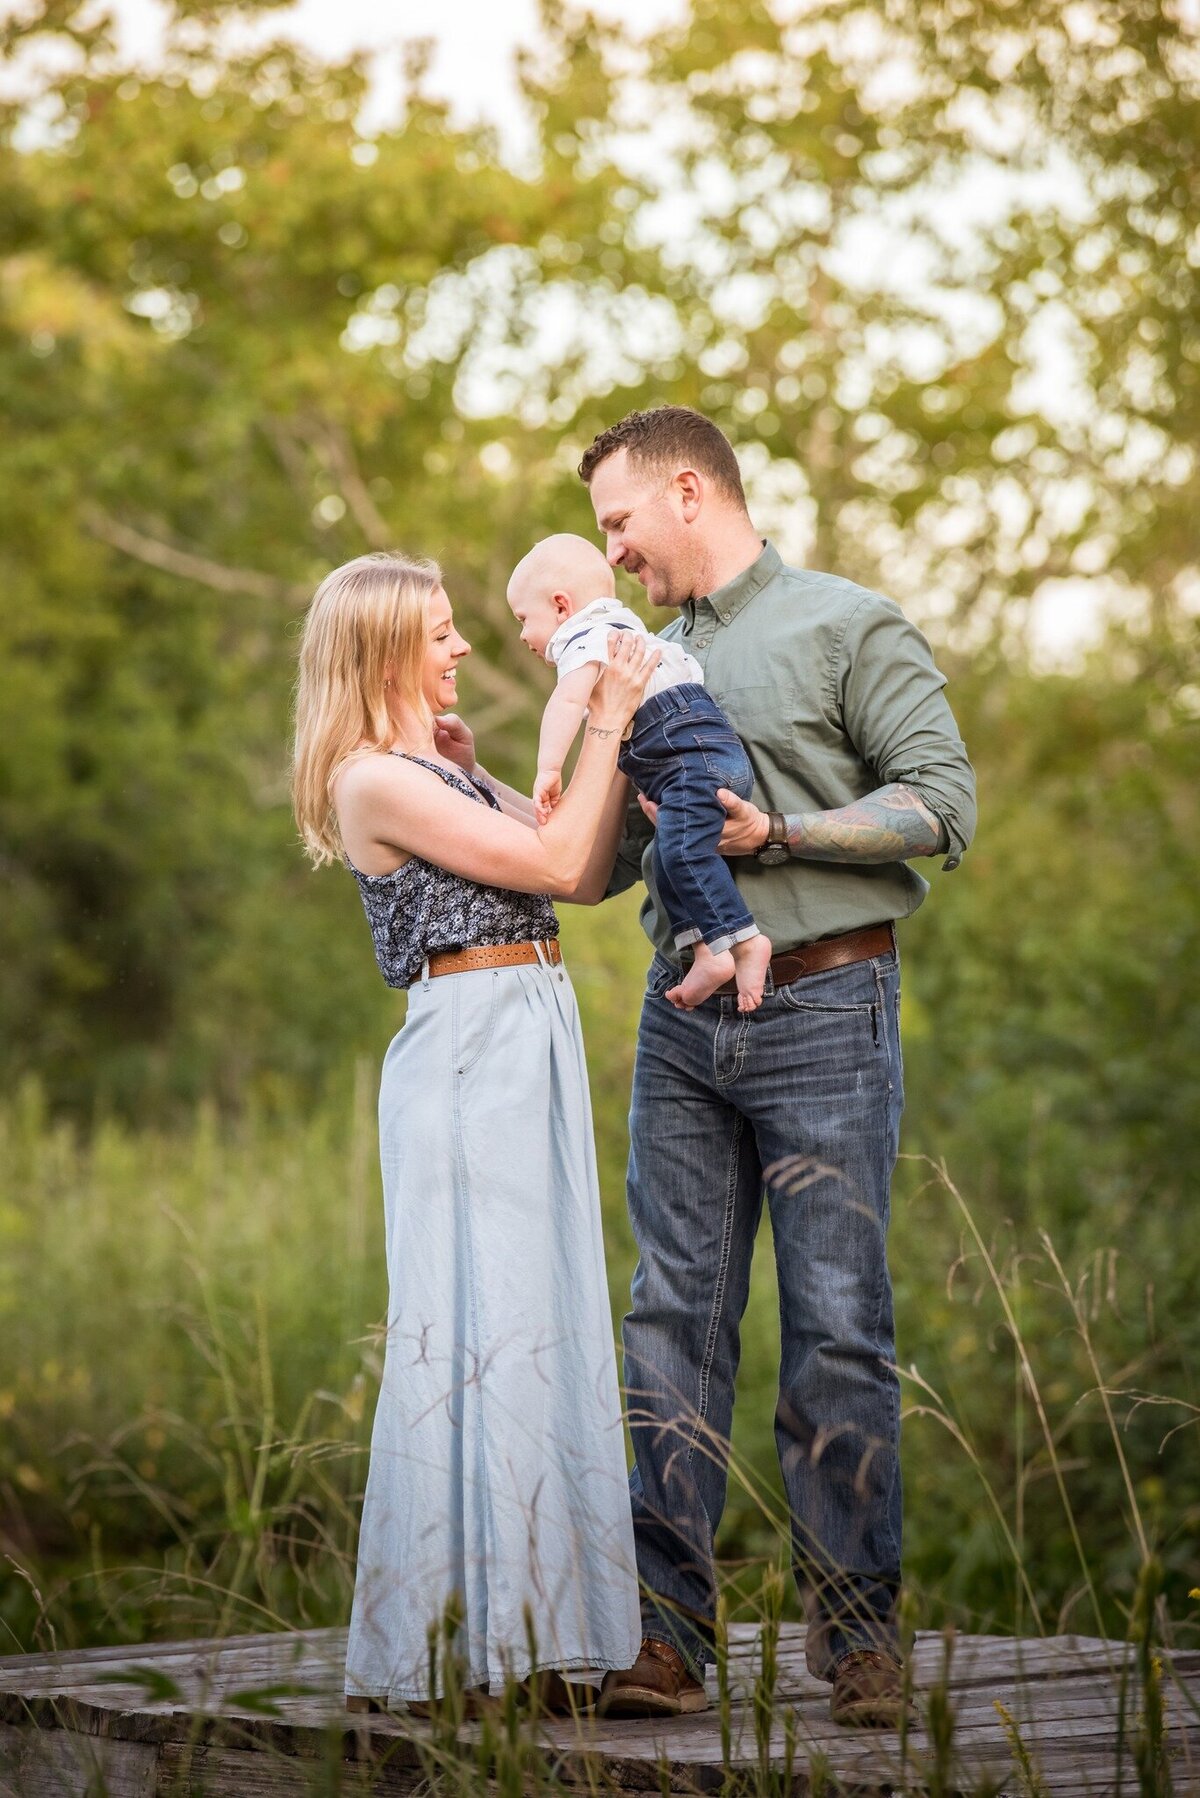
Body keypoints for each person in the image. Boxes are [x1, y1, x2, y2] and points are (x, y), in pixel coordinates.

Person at [576, 407, 977, 1729]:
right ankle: (664, 1642)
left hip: (824, 1004)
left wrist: (781, 829)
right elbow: (608, 863)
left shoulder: (847, 621)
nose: (612, 551)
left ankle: (859, 1641)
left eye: (621, 520)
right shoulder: (631, 658)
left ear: (690, 491)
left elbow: (942, 804)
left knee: (838, 1331)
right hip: (681, 1018)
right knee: (668, 1321)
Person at [291, 550, 654, 1712]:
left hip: (527, 1022)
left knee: (541, 1317)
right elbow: (554, 855)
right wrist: (606, 716)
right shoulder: (369, 780)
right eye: (441, 633)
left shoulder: (435, 768)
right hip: (467, 1038)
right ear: (388, 646)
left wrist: (505, 769)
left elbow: (583, 876)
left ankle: (541, 1636)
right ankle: (458, 1644)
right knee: (478, 1324)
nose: (461, 650)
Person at [506, 533, 772, 1012]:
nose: (524, 636)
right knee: (668, 859)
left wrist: (549, 768)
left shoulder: (581, 639)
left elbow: (566, 702)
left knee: (682, 853)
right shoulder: (625, 626)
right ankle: (706, 951)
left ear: (561, 605)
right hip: (697, 753)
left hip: (690, 755)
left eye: (525, 620)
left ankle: (745, 942)